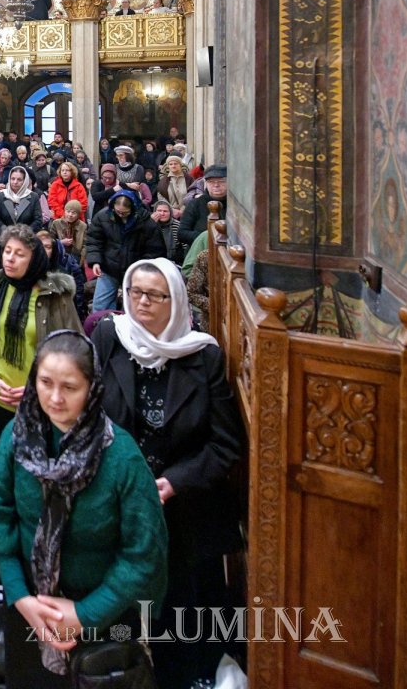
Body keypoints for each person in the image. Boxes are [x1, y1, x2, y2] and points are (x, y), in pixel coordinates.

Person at [0, 330, 168, 688]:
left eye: (69, 387)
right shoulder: (16, 438)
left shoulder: (121, 457)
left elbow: (142, 554)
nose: (55, 398)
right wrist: (21, 598)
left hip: (106, 619)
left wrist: (84, 615)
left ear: (92, 388)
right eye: (45, 383)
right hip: (30, 609)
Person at [92, 259, 245, 687]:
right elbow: (89, 416)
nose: (142, 302)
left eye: (154, 295)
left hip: (185, 509)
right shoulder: (109, 337)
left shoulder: (202, 355)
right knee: (121, 612)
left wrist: (174, 482)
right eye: (135, 292)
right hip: (121, 501)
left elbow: (225, 445)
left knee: (180, 615)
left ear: (174, 300)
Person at [0, 225, 82, 494]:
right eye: (7, 251)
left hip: (40, 403)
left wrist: (35, 387)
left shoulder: (54, 296)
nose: (9, 258)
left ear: (35, 259)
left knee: (32, 477)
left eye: (19, 254)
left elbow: (71, 352)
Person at [85, 189, 167, 312]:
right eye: (118, 211)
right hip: (108, 267)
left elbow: (155, 250)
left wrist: (141, 269)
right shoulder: (103, 217)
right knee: (101, 306)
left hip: (135, 271)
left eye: (124, 212)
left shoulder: (147, 223)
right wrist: (95, 261)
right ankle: (103, 324)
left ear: (133, 208)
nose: (120, 215)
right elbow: (94, 240)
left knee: (133, 309)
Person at [37, 231, 88, 322]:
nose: (42, 250)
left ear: (53, 250)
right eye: (39, 246)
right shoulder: (23, 273)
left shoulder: (63, 278)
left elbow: (73, 307)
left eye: (47, 247)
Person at [178, 163, 227, 248]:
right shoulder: (196, 203)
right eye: (211, 182)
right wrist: (206, 237)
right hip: (201, 251)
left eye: (221, 181)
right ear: (205, 183)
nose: (216, 185)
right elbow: (182, 233)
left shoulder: (235, 205)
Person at [0, 166, 51, 232]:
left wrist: (24, 233)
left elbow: (38, 220)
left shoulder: (33, 197)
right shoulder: (1, 196)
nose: (15, 182)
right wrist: (6, 231)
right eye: (13, 179)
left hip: (26, 236)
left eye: (19, 180)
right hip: (5, 236)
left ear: (25, 181)